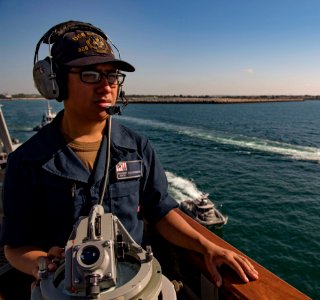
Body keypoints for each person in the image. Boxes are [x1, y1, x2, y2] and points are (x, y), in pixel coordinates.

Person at [0, 20, 258, 296]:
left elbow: (160, 211)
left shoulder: (137, 147)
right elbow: (15, 247)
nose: (106, 86)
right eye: (90, 75)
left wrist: (207, 246)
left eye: (111, 76)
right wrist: (42, 263)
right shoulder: (26, 162)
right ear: (56, 83)